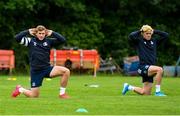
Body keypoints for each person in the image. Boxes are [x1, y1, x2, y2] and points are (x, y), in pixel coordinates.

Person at [11, 25, 70, 99]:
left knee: (66, 71)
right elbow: (17, 38)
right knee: (34, 96)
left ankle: (62, 94)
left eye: (43, 33)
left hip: (47, 69)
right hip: (36, 71)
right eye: (39, 33)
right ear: (36, 33)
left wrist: (52, 33)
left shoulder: (49, 41)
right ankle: (20, 89)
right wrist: (28, 31)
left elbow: (63, 40)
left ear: (45, 33)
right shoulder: (30, 41)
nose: (41, 35)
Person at [122, 25, 169, 96]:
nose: (148, 35)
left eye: (150, 33)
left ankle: (128, 87)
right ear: (143, 34)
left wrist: (154, 31)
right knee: (159, 69)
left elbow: (166, 35)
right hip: (143, 67)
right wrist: (140, 30)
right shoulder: (139, 41)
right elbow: (131, 35)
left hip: (150, 68)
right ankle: (158, 91)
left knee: (145, 93)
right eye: (147, 33)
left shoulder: (154, 41)